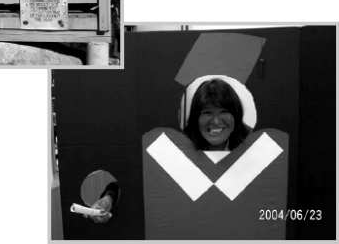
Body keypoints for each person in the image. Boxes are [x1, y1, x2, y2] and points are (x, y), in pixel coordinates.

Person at [87, 77, 252, 223]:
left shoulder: (253, 148)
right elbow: (134, 181)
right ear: (196, 118)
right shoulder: (179, 147)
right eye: (207, 113)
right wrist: (109, 198)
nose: (216, 121)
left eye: (224, 112)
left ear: (236, 115)